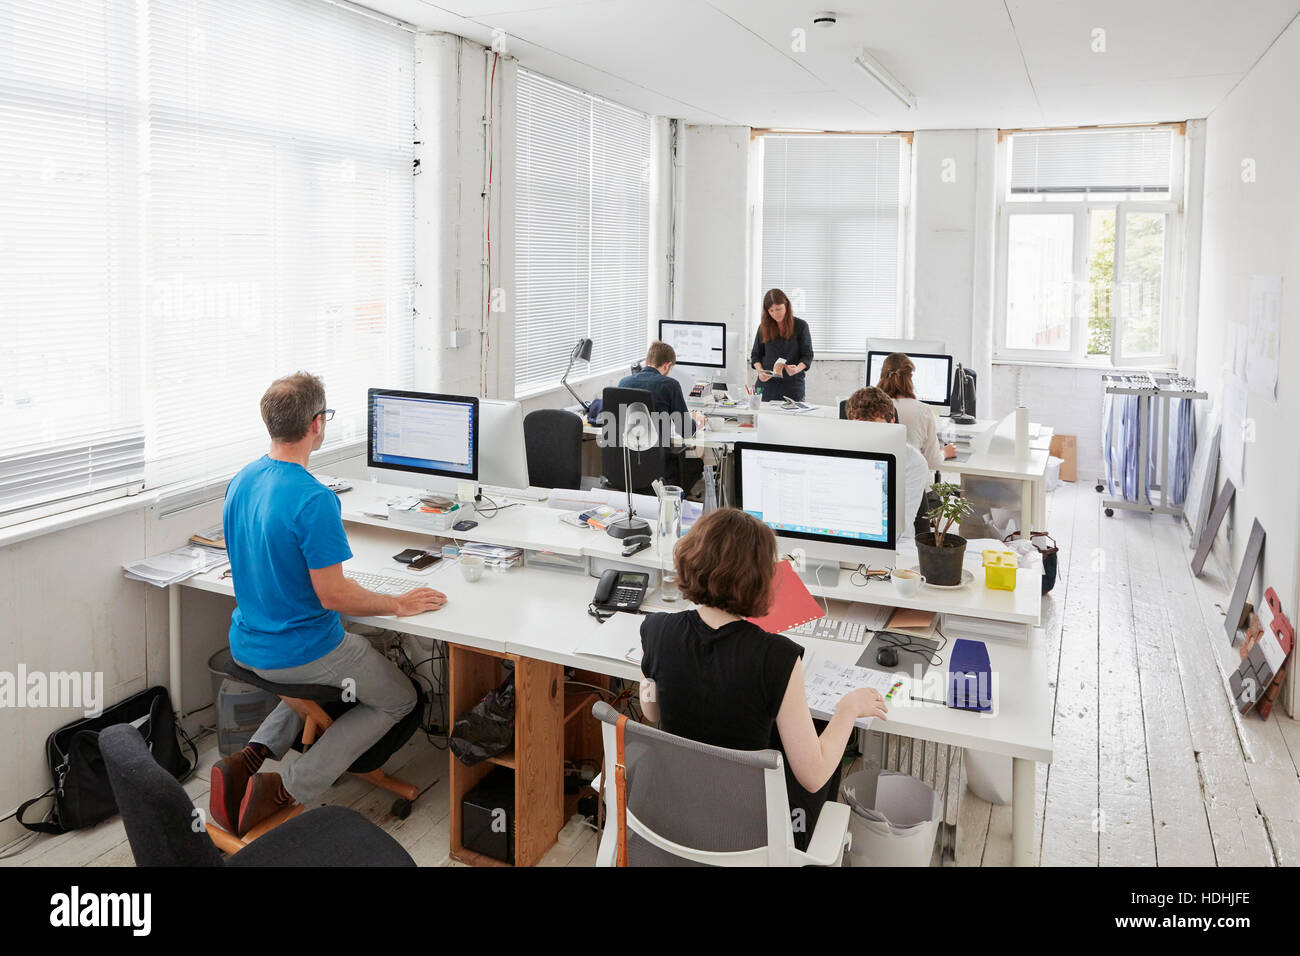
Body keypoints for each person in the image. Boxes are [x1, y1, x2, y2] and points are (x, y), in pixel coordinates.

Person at [213, 372, 447, 837]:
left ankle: (251, 757)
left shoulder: (243, 479)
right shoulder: (313, 498)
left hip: (248, 641)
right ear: (317, 424)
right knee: (399, 699)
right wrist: (398, 604)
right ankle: (288, 788)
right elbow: (334, 596)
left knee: (323, 669)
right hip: (299, 651)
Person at [637, 508, 888, 850]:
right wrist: (848, 710)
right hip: (749, 832)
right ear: (761, 579)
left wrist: (652, 676)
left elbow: (651, 713)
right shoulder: (778, 658)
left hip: (676, 813)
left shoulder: (655, 630)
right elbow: (812, 777)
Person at [845, 386, 931, 539]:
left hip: (896, 545)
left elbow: (898, 529)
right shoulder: (840, 454)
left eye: (874, 427)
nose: (867, 437)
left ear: (891, 423)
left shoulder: (912, 462)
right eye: (859, 427)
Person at [876, 352, 957, 468]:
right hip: (911, 481)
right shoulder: (923, 410)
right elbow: (932, 462)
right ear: (910, 377)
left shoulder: (871, 407)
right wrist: (944, 452)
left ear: (882, 374)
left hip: (877, 478)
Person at [618, 340, 706, 438]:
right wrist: (696, 420)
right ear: (667, 365)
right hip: (658, 450)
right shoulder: (670, 385)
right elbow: (686, 431)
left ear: (647, 362)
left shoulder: (623, 383)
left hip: (628, 450)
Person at [750, 288, 813, 403]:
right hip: (765, 385)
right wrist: (760, 371)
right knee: (762, 419)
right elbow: (755, 355)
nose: (775, 314)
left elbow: (807, 355)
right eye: (771, 311)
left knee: (791, 419)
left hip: (792, 386)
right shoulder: (763, 327)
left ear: (786, 305)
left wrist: (797, 368)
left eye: (779, 309)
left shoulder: (801, 326)